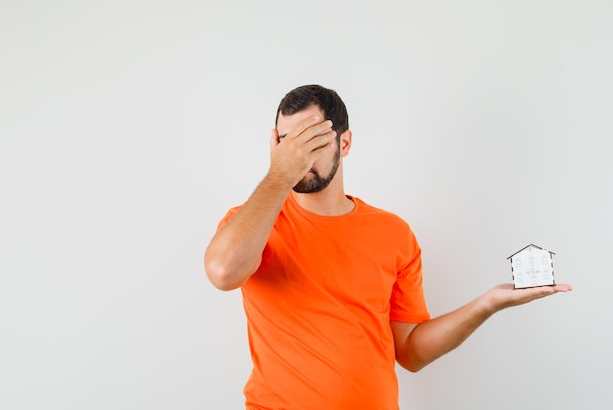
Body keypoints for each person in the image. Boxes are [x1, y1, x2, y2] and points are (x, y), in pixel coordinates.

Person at [204, 84, 572, 410]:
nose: (298, 156)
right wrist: (280, 174)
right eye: (289, 144)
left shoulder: (393, 233)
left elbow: (411, 351)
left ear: (343, 143)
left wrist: (488, 302)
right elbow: (222, 272)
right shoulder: (252, 223)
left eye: (311, 141)